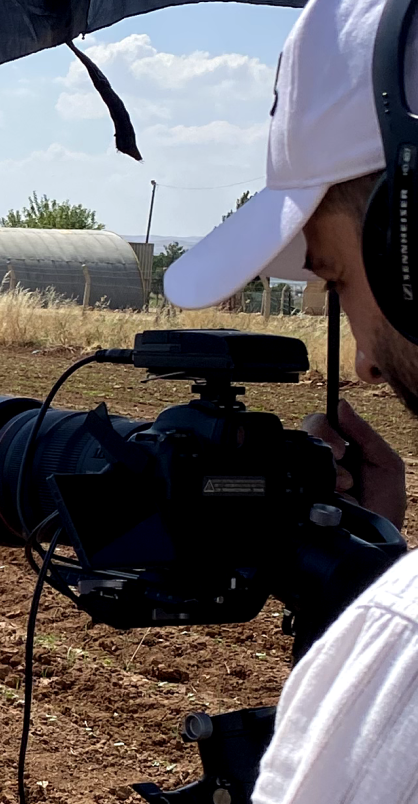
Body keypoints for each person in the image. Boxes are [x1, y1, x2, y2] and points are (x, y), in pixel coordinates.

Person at [165, 0, 418, 799]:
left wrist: (379, 620)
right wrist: (372, 552)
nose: (367, 369)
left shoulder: (403, 661)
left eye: (338, 276)